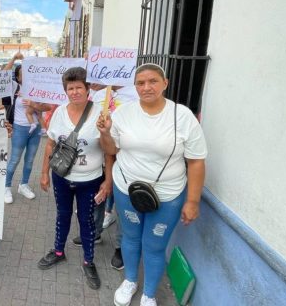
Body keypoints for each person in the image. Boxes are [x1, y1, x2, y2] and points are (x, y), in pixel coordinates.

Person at [97, 63, 207, 306]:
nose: (146, 87)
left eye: (153, 81)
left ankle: (149, 294)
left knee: (154, 246)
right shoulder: (123, 113)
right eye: (140, 83)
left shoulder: (183, 116)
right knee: (130, 238)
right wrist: (105, 133)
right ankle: (130, 281)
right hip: (126, 190)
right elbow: (111, 150)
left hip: (167, 196)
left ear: (165, 83)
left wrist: (193, 200)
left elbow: (196, 162)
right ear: (134, 86)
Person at [37, 67, 113, 290]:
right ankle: (59, 251)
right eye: (70, 88)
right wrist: (44, 174)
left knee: (87, 220)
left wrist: (108, 181)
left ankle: (89, 260)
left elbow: (109, 152)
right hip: (62, 177)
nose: (75, 92)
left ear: (87, 88)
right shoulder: (59, 112)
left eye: (79, 87)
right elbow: (51, 143)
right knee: (62, 214)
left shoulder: (101, 113)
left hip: (90, 180)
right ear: (65, 90)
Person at [71, 83, 139, 270]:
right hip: (101, 157)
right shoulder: (99, 94)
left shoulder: (135, 93)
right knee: (97, 198)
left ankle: (120, 247)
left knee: (123, 206)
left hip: (126, 158)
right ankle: (95, 233)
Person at [4, 63, 51, 203]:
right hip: (19, 128)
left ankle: (23, 185)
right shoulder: (14, 87)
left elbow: (49, 106)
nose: (25, 75)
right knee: (14, 159)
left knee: (30, 161)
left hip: (35, 129)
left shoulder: (38, 88)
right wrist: (13, 59)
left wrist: (34, 104)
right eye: (22, 73)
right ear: (17, 77)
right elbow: (1, 75)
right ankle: (6, 187)